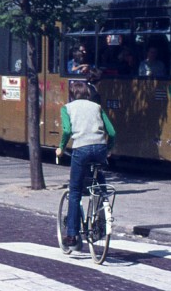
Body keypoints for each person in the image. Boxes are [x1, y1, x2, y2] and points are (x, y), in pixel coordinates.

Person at [55, 80, 116, 250]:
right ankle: (100, 220)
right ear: (88, 93)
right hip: (100, 149)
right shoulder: (97, 107)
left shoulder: (67, 108)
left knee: (75, 191)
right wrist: (109, 148)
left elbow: (67, 130)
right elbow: (112, 132)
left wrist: (60, 148)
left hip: (81, 149)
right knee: (99, 183)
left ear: (72, 94)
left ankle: (72, 235)